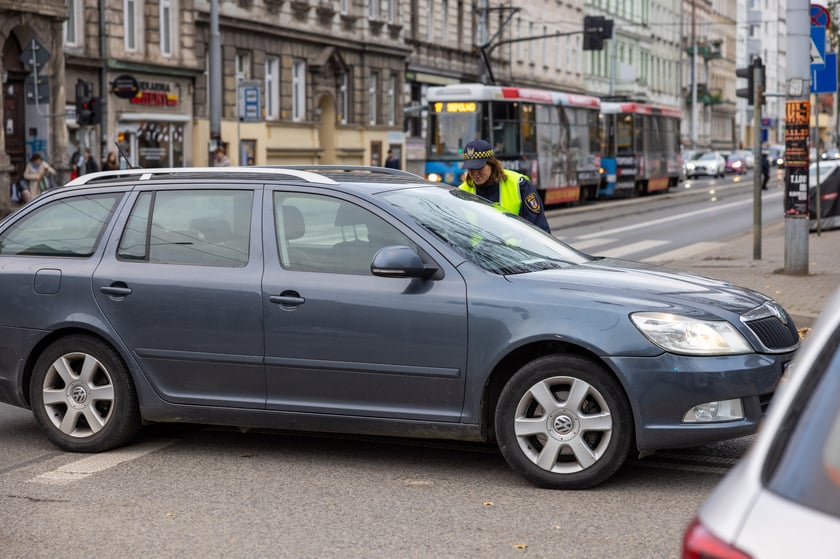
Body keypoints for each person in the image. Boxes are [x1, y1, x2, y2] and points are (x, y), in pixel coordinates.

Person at [458, 139, 551, 233]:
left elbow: (539, 229)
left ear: (492, 164)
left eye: (479, 168)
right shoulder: (462, 192)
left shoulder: (519, 185)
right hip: (477, 248)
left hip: (514, 248)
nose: (475, 173)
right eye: (471, 169)